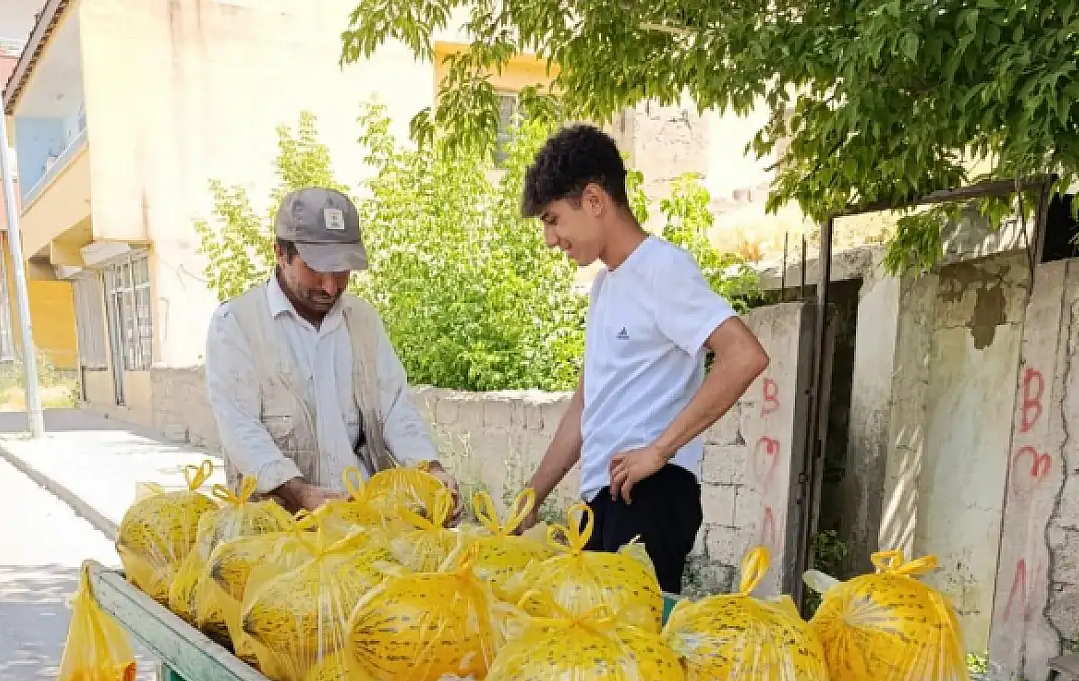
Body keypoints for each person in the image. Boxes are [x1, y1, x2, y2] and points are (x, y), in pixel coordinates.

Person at [518, 125, 769, 593]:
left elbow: (744, 355)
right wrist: (532, 497)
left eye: (553, 220)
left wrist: (659, 450)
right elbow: (586, 404)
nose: (550, 239)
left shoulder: (662, 269)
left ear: (594, 200)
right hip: (605, 501)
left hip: (648, 495)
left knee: (628, 656)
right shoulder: (606, 286)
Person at [205, 187, 457, 513]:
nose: (330, 286)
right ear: (281, 254)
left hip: (363, 520)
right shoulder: (236, 324)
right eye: (316, 269)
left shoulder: (362, 319)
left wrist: (431, 470)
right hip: (277, 531)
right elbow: (240, 428)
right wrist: (299, 493)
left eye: (341, 271)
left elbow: (395, 409)